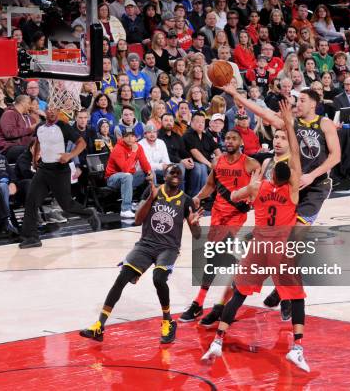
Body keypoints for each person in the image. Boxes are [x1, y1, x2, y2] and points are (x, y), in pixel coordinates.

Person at [201, 100, 310, 372]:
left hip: (257, 248)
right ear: (290, 179)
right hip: (279, 249)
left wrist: (248, 187)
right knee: (296, 297)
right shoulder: (292, 189)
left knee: (238, 293)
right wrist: (289, 124)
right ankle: (297, 349)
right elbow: (295, 156)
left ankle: (217, 340)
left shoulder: (259, 187)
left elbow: (235, 195)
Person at [228, 87, 341, 317]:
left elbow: (335, 156)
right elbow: (262, 113)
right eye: (297, 100)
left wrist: (312, 175)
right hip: (291, 186)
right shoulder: (290, 122)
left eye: (302, 100)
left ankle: (284, 294)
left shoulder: (324, 124)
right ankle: (282, 288)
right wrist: (236, 95)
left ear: (313, 104)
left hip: (315, 188)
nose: (297, 104)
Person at [79, 165, 203, 344]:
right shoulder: (153, 191)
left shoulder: (186, 200)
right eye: (172, 173)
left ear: (182, 178)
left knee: (159, 278)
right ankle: (99, 325)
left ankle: (167, 321)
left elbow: (197, 235)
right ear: (165, 175)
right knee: (121, 279)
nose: (175, 175)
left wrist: (194, 223)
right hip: (145, 245)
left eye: (179, 174)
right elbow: (137, 219)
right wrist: (150, 200)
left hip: (168, 248)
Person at [179, 127, 260, 324]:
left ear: (241, 142)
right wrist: (198, 197)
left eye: (234, 138)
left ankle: (200, 303)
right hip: (217, 214)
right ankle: (240, 273)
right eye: (227, 138)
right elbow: (210, 186)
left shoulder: (250, 164)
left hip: (234, 217)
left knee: (215, 255)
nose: (229, 141)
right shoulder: (218, 161)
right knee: (214, 258)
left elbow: (258, 190)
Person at [19, 108, 101, 249]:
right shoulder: (40, 127)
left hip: (60, 170)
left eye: (54, 110)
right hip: (44, 169)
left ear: (57, 111)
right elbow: (38, 142)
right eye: (48, 109)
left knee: (66, 205)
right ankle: (31, 237)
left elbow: (82, 143)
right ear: (45, 111)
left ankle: (89, 213)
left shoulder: (64, 126)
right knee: (31, 200)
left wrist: (69, 155)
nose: (51, 112)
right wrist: (34, 159)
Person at [106, 129, 152, 219]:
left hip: (129, 177)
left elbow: (144, 162)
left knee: (149, 174)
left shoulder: (138, 147)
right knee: (127, 176)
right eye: (127, 136)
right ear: (123, 138)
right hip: (113, 178)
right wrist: (133, 152)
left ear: (136, 137)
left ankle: (143, 203)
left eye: (132, 136)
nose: (130, 138)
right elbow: (125, 169)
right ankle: (125, 209)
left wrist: (149, 172)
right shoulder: (118, 148)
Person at [0, 95, 37, 163]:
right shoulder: (9, 114)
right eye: (29, 103)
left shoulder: (24, 117)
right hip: (8, 149)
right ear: (23, 103)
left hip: (21, 147)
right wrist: (30, 129)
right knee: (27, 151)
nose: (30, 106)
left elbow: (26, 138)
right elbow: (9, 133)